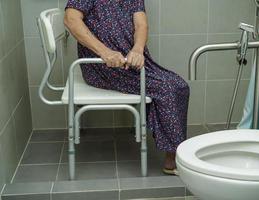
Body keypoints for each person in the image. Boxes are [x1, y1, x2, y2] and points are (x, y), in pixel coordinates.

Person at [64, 0, 190, 175]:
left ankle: (173, 148)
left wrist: (138, 49)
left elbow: (141, 24)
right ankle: (173, 158)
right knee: (171, 88)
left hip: (130, 63)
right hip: (103, 65)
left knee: (178, 86)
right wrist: (104, 52)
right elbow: (71, 19)